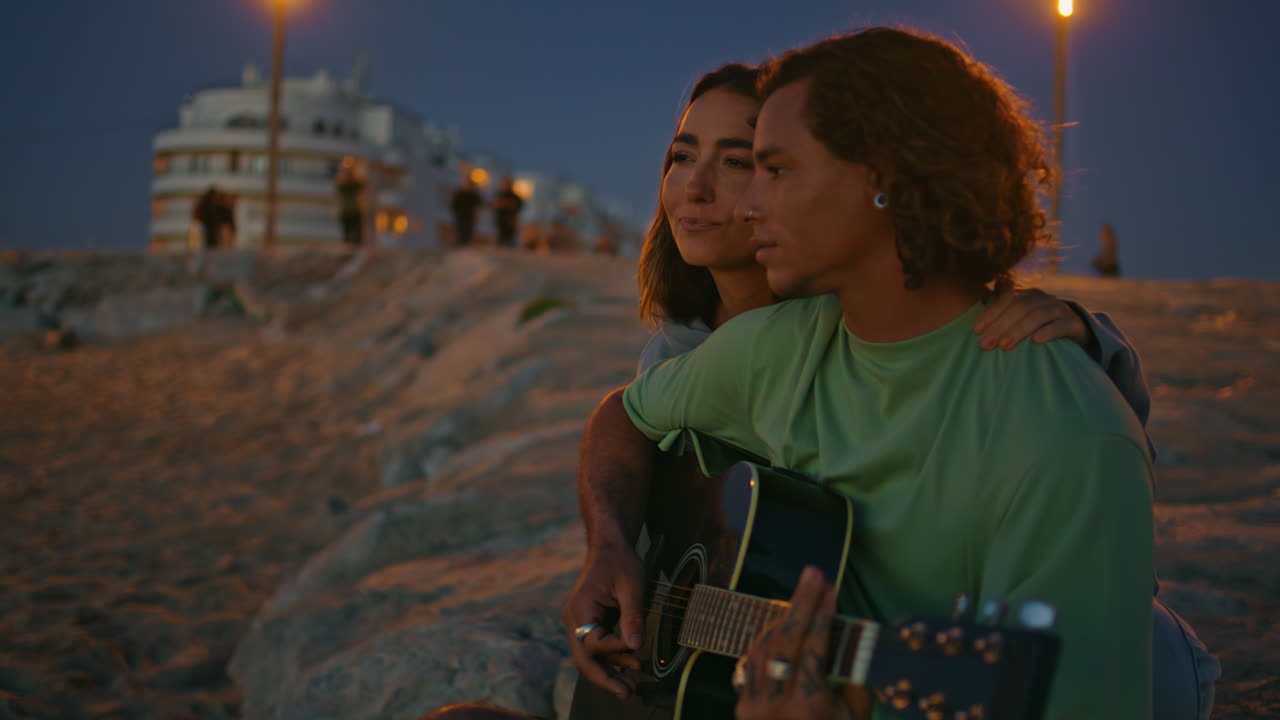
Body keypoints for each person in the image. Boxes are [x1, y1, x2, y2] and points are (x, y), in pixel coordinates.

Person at [567, 29, 1216, 720]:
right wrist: (610, 547)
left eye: (774, 169)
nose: (747, 203)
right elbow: (628, 412)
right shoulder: (775, 347)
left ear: (886, 181)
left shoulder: (1062, 437)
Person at [335, 159, 366, 249]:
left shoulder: (347, 184)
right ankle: (351, 247)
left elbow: (362, 184)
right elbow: (362, 184)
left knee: (351, 234)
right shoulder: (347, 184)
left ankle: (352, 247)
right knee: (351, 233)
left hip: (350, 211)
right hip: (351, 211)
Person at [492, 175, 526, 248]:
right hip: (499, 221)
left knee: (510, 241)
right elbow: (493, 205)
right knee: (500, 240)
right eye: (503, 183)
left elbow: (519, 206)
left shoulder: (515, 196)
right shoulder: (498, 195)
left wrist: (505, 204)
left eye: (506, 183)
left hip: (510, 221)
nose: (504, 185)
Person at [451, 177, 484, 246]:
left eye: (470, 184)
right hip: (460, 217)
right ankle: (460, 245)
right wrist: (456, 213)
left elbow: (481, 203)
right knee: (460, 232)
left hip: (470, 217)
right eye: (467, 183)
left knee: (469, 232)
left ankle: (467, 245)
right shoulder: (459, 194)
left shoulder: (473, 195)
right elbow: (454, 205)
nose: (468, 185)